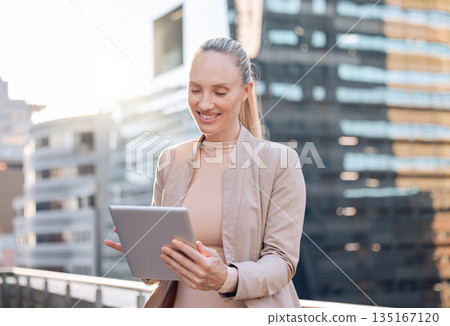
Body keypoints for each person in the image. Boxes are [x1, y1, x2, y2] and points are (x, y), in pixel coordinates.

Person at [105, 37, 306, 308]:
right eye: (195, 90)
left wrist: (226, 278)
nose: (205, 104)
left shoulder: (281, 162)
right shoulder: (170, 160)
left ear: (246, 90)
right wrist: (143, 256)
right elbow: (157, 273)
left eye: (220, 92)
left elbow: (282, 262)